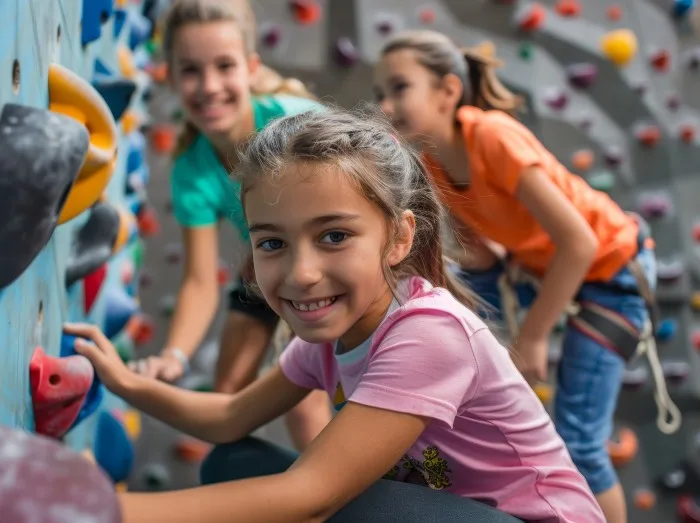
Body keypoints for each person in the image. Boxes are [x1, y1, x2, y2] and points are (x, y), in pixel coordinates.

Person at [64, 107, 605, 522]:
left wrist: (103, 509)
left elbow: (311, 496)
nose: (301, 273)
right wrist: (125, 382)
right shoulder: (331, 338)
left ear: (398, 237)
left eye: (335, 236)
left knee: (333, 502)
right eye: (272, 243)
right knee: (232, 463)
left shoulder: (429, 333)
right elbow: (229, 417)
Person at [373, 30, 680, 523]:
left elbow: (578, 241)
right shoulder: (432, 162)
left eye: (399, 88)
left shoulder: (491, 135)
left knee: (579, 441)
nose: (386, 105)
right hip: (552, 271)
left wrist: (533, 336)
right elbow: (481, 251)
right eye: (380, 94)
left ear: (448, 91)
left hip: (613, 270)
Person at [132, 0, 331, 450]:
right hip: (272, 270)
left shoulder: (295, 122)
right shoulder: (192, 170)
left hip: (332, 260)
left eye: (225, 66)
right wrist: (173, 354)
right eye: (190, 71)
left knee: (301, 394)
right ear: (171, 76)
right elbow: (201, 281)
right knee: (226, 397)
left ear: (251, 67)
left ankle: (333, 499)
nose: (209, 87)